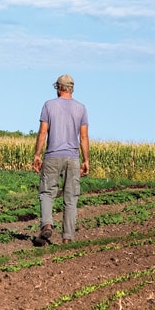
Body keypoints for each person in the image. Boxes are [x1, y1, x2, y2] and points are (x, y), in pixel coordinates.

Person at [31, 74, 89, 245]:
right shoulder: (81, 108)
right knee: (71, 198)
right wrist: (86, 160)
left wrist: (37, 154)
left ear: (58, 87)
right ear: (71, 88)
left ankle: (47, 224)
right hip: (73, 158)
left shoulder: (49, 105)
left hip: (52, 157)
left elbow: (43, 132)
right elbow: (83, 137)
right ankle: (67, 238)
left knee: (47, 193)